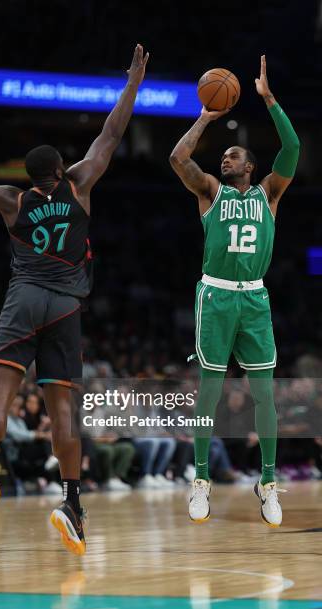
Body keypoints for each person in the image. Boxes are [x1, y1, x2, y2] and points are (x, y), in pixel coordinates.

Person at [0, 44, 149, 555]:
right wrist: (132, 85)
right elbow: (112, 133)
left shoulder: (11, 201)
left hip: (27, 297)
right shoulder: (81, 186)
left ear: (28, 176)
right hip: (67, 306)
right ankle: (72, 504)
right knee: (64, 412)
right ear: (63, 168)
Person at [169, 56, 299, 527]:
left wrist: (269, 100)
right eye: (224, 155)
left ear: (252, 166)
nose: (226, 158)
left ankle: (267, 481)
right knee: (209, 392)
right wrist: (204, 117)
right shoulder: (209, 192)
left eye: (235, 155)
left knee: (265, 394)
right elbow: (178, 159)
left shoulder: (270, 194)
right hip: (217, 295)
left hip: (255, 299)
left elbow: (294, 145)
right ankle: (200, 478)